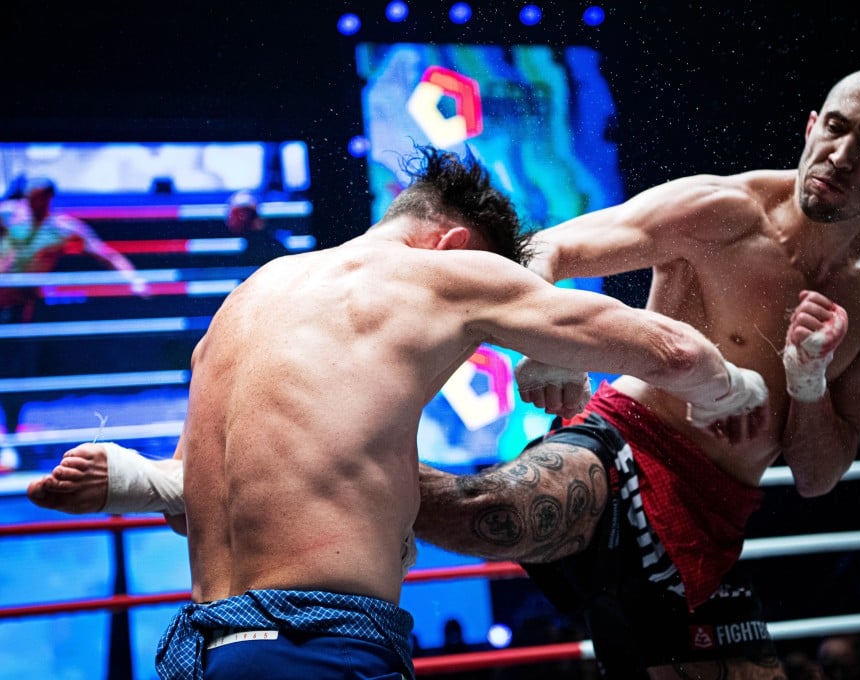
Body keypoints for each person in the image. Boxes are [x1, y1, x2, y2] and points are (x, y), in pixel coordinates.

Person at [28, 144, 769, 680]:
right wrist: (735, 390)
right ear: (451, 243)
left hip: (205, 647)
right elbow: (669, 351)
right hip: (319, 646)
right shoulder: (437, 274)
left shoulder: (250, 296)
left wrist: (139, 479)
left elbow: (210, 491)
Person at [412, 67, 860, 678]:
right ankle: (333, 457)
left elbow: (818, 476)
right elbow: (547, 248)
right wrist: (551, 340)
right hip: (626, 449)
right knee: (488, 514)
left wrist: (808, 381)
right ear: (812, 126)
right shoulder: (721, 211)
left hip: (715, 523)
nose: (841, 156)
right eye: (836, 128)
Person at [0, 177, 146, 323]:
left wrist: (133, 279)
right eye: (29, 198)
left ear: (48, 198)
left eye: (37, 198)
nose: (31, 204)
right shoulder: (8, 214)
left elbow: (106, 255)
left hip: (23, 299)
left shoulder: (62, 228)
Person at [224, 190, 290, 265]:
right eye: (240, 215)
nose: (243, 218)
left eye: (248, 214)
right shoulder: (227, 246)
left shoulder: (270, 246)